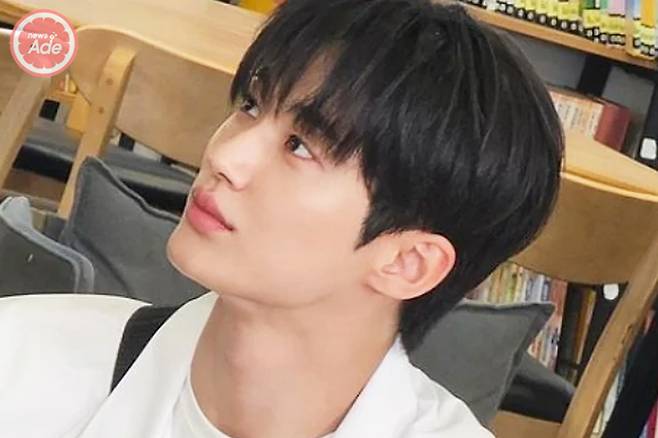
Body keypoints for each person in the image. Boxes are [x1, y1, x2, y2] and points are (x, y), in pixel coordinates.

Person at [0, 0, 563, 437]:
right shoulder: (24, 360)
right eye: (250, 105)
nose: (224, 156)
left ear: (408, 262)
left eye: (300, 146)